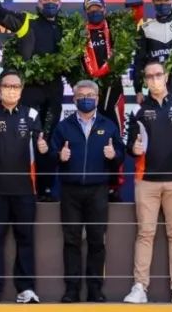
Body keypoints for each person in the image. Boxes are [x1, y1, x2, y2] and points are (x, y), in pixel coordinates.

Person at [123, 61, 172, 305]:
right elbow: (130, 145)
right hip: (146, 181)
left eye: (158, 75)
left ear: (166, 76)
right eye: (149, 76)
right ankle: (139, 287)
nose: (154, 80)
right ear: (145, 81)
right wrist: (133, 149)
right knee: (145, 233)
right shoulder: (137, 110)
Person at [0, 0, 66, 202]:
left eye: (54, 0)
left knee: (47, 139)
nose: (50, 3)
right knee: (25, 140)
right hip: (29, 92)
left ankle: (46, 189)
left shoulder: (67, 27)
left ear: (60, 4)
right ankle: (26, 188)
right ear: (39, 3)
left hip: (54, 93)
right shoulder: (26, 21)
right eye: (46, 0)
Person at [0, 70, 50, 304]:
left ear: (21, 90)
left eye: (15, 86)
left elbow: (41, 146)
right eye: (7, 86)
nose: (11, 90)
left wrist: (43, 148)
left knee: (25, 239)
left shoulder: (32, 115)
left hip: (26, 189)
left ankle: (26, 289)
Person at [49, 79, 125, 303]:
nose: (85, 99)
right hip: (70, 190)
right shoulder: (64, 126)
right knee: (71, 241)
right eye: (81, 96)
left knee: (96, 240)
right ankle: (72, 290)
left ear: (98, 98)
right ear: (74, 99)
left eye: (90, 95)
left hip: (98, 190)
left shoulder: (109, 125)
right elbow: (51, 154)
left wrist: (114, 155)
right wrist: (59, 156)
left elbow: (120, 155)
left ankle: (95, 289)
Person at [80, 0, 137, 202]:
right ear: (86, 12)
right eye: (91, 9)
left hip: (113, 90)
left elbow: (135, 18)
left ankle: (115, 184)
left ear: (104, 9)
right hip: (90, 91)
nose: (95, 11)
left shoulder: (114, 28)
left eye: (98, 8)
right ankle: (95, 181)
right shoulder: (79, 34)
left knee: (115, 136)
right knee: (90, 137)